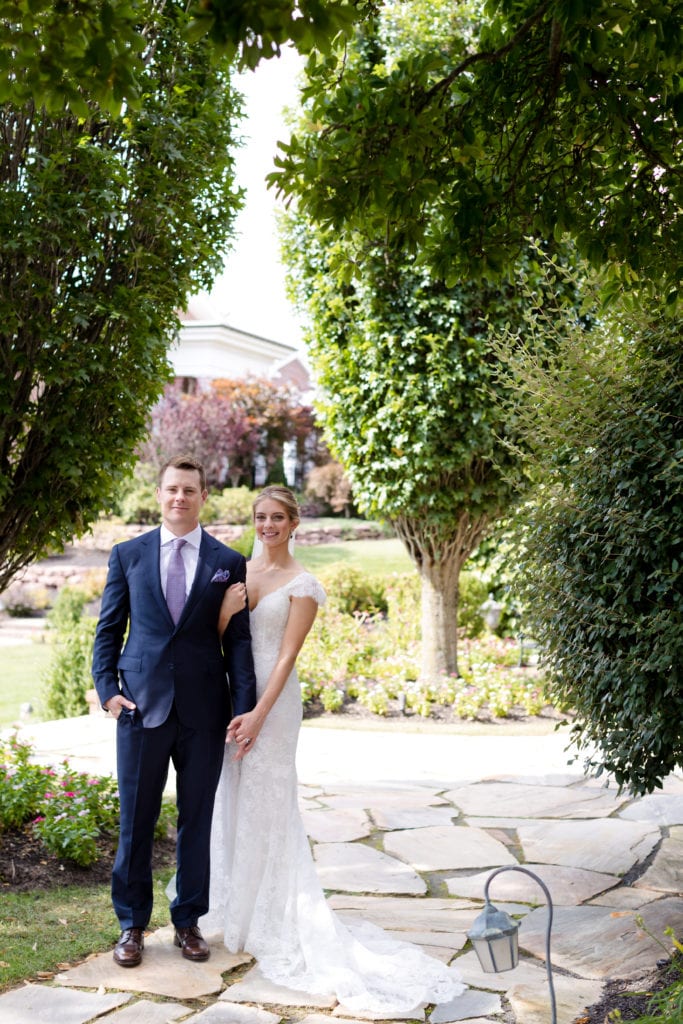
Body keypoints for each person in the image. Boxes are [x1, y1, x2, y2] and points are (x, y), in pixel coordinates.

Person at [202, 485, 465, 1014]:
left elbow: (285, 658)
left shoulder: (303, 584)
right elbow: (213, 637)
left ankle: (274, 913)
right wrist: (227, 613)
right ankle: (233, 909)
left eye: (277, 517)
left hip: (274, 708)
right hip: (233, 696)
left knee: (269, 799)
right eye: (260, 517)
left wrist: (258, 715)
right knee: (230, 794)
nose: (268, 525)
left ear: (294, 523)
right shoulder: (238, 573)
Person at [92, 454, 256, 969]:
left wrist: (246, 709)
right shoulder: (128, 554)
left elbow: (240, 642)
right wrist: (106, 689)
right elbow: (108, 629)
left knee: (196, 821)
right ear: (158, 495)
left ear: (203, 496)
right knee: (135, 821)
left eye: (189, 489)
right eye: (171, 490)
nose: (180, 497)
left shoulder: (229, 560)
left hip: (206, 711)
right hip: (140, 709)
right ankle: (131, 925)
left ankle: (188, 921)